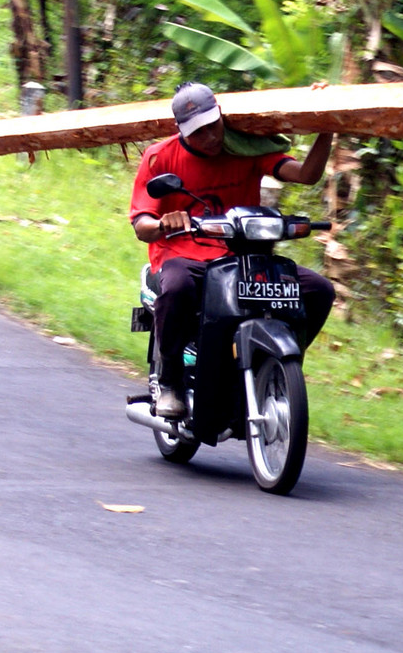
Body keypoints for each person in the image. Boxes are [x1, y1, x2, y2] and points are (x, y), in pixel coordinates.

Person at [129, 81, 337, 419]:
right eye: (199, 132)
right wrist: (164, 223)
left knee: (318, 290)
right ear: (181, 130)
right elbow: (142, 226)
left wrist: (326, 129)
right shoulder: (160, 157)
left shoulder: (246, 147)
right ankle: (170, 381)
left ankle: (277, 367)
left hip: (243, 257)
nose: (210, 137)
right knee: (178, 287)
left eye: (214, 126)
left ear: (221, 116)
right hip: (185, 255)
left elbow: (307, 174)